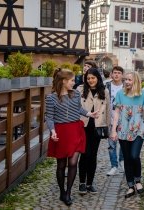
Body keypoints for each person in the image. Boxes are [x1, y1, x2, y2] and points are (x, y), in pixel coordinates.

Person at [45, 68, 98, 206]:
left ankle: (68, 192)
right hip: (61, 132)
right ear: (63, 81)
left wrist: (89, 114)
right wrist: (52, 131)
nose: (74, 83)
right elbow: (49, 118)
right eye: (72, 80)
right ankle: (62, 191)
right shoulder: (51, 98)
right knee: (61, 164)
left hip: (75, 130)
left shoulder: (75, 94)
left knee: (73, 163)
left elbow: (78, 109)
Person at [110, 71, 144, 198]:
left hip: (138, 129)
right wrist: (113, 130)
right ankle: (130, 185)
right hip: (123, 130)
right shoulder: (120, 94)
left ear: (135, 81)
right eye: (126, 80)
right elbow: (117, 113)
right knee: (127, 158)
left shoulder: (143, 94)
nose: (127, 82)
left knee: (134, 156)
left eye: (129, 80)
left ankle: (138, 180)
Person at [76, 68, 110, 195]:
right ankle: (82, 183)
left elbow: (108, 110)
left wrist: (108, 128)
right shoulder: (80, 89)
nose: (90, 80)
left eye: (93, 78)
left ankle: (90, 183)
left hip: (97, 126)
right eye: (88, 78)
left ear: (98, 78)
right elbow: (76, 107)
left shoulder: (104, 91)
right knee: (84, 154)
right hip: (83, 125)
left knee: (93, 155)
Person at [105, 66, 125, 176]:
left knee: (123, 143)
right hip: (110, 119)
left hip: (123, 120)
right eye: (115, 73)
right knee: (111, 145)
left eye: (119, 73)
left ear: (122, 75)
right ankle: (114, 166)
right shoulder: (107, 85)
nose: (116, 75)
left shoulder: (125, 86)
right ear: (112, 74)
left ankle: (122, 161)